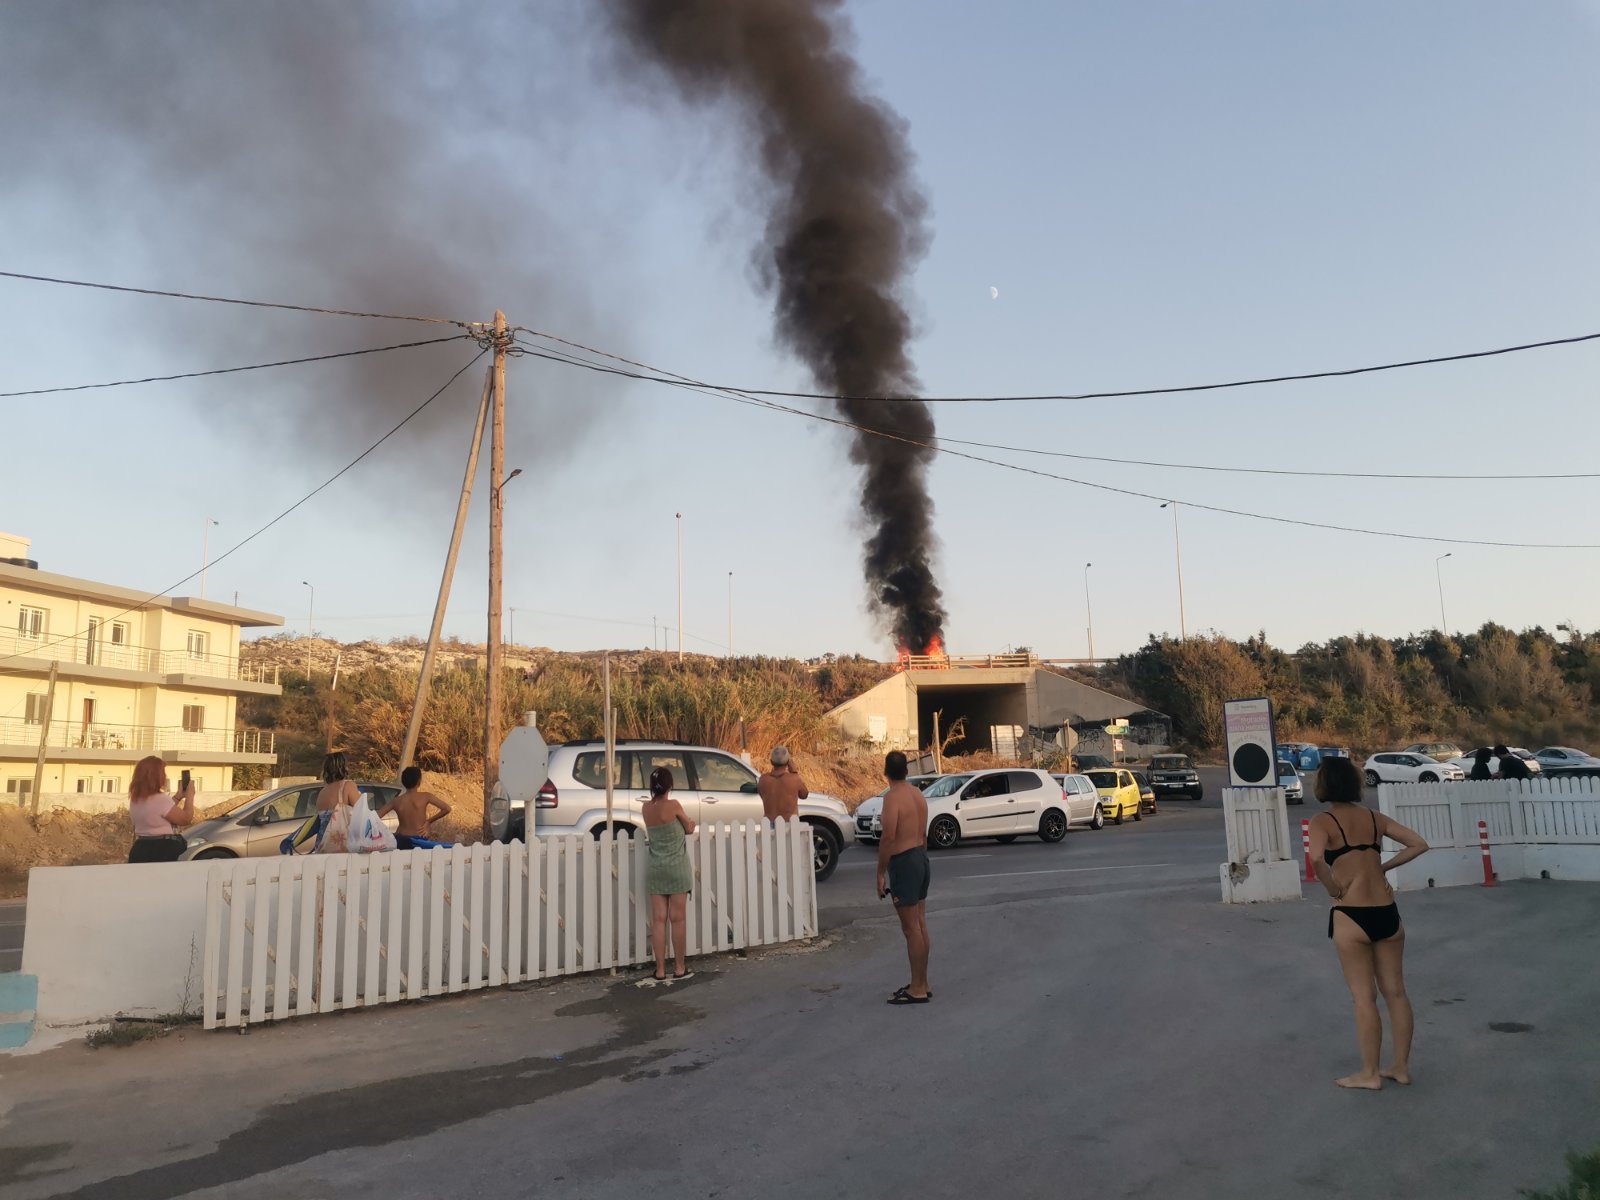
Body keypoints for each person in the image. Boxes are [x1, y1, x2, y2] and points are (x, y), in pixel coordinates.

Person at [1307, 756, 1430, 1089]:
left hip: (1352, 914)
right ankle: (1400, 1068)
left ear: (1324, 784)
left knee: (1364, 997)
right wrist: (1384, 869)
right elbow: (1419, 844)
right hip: (1388, 913)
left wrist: (1333, 888)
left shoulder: (1323, 821)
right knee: (1397, 993)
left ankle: (1369, 1073)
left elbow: (1316, 858)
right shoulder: (1374, 818)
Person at [876, 750, 931, 1004]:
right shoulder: (918, 795)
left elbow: (888, 837)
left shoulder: (892, 799)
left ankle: (917, 989)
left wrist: (880, 873)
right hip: (920, 857)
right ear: (907, 771)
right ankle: (922, 982)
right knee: (919, 924)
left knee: (911, 930)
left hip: (905, 861)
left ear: (885, 771)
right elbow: (924, 832)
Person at [642, 765, 696, 982]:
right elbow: (689, 827)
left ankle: (661, 970)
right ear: (670, 786)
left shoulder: (646, 809)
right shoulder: (673, 805)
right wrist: (689, 822)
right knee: (678, 919)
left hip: (656, 869)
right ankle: (680, 967)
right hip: (677, 868)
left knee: (658, 920)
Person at [126, 755, 196, 863]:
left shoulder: (136, 799)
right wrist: (190, 796)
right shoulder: (160, 799)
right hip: (162, 850)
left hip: (141, 848)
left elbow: (159, 810)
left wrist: (178, 797)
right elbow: (186, 819)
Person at [378, 766, 452, 849]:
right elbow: (447, 808)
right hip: (419, 839)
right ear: (419, 781)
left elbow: (376, 816)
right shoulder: (426, 796)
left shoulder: (396, 801)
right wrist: (428, 821)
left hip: (400, 839)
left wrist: (386, 834)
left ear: (403, 782)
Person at [757, 746, 808, 822]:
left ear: (771, 762)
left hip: (769, 824)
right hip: (790, 823)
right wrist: (794, 772)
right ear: (788, 762)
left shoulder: (763, 779)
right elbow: (804, 795)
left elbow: (762, 794)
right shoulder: (794, 779)